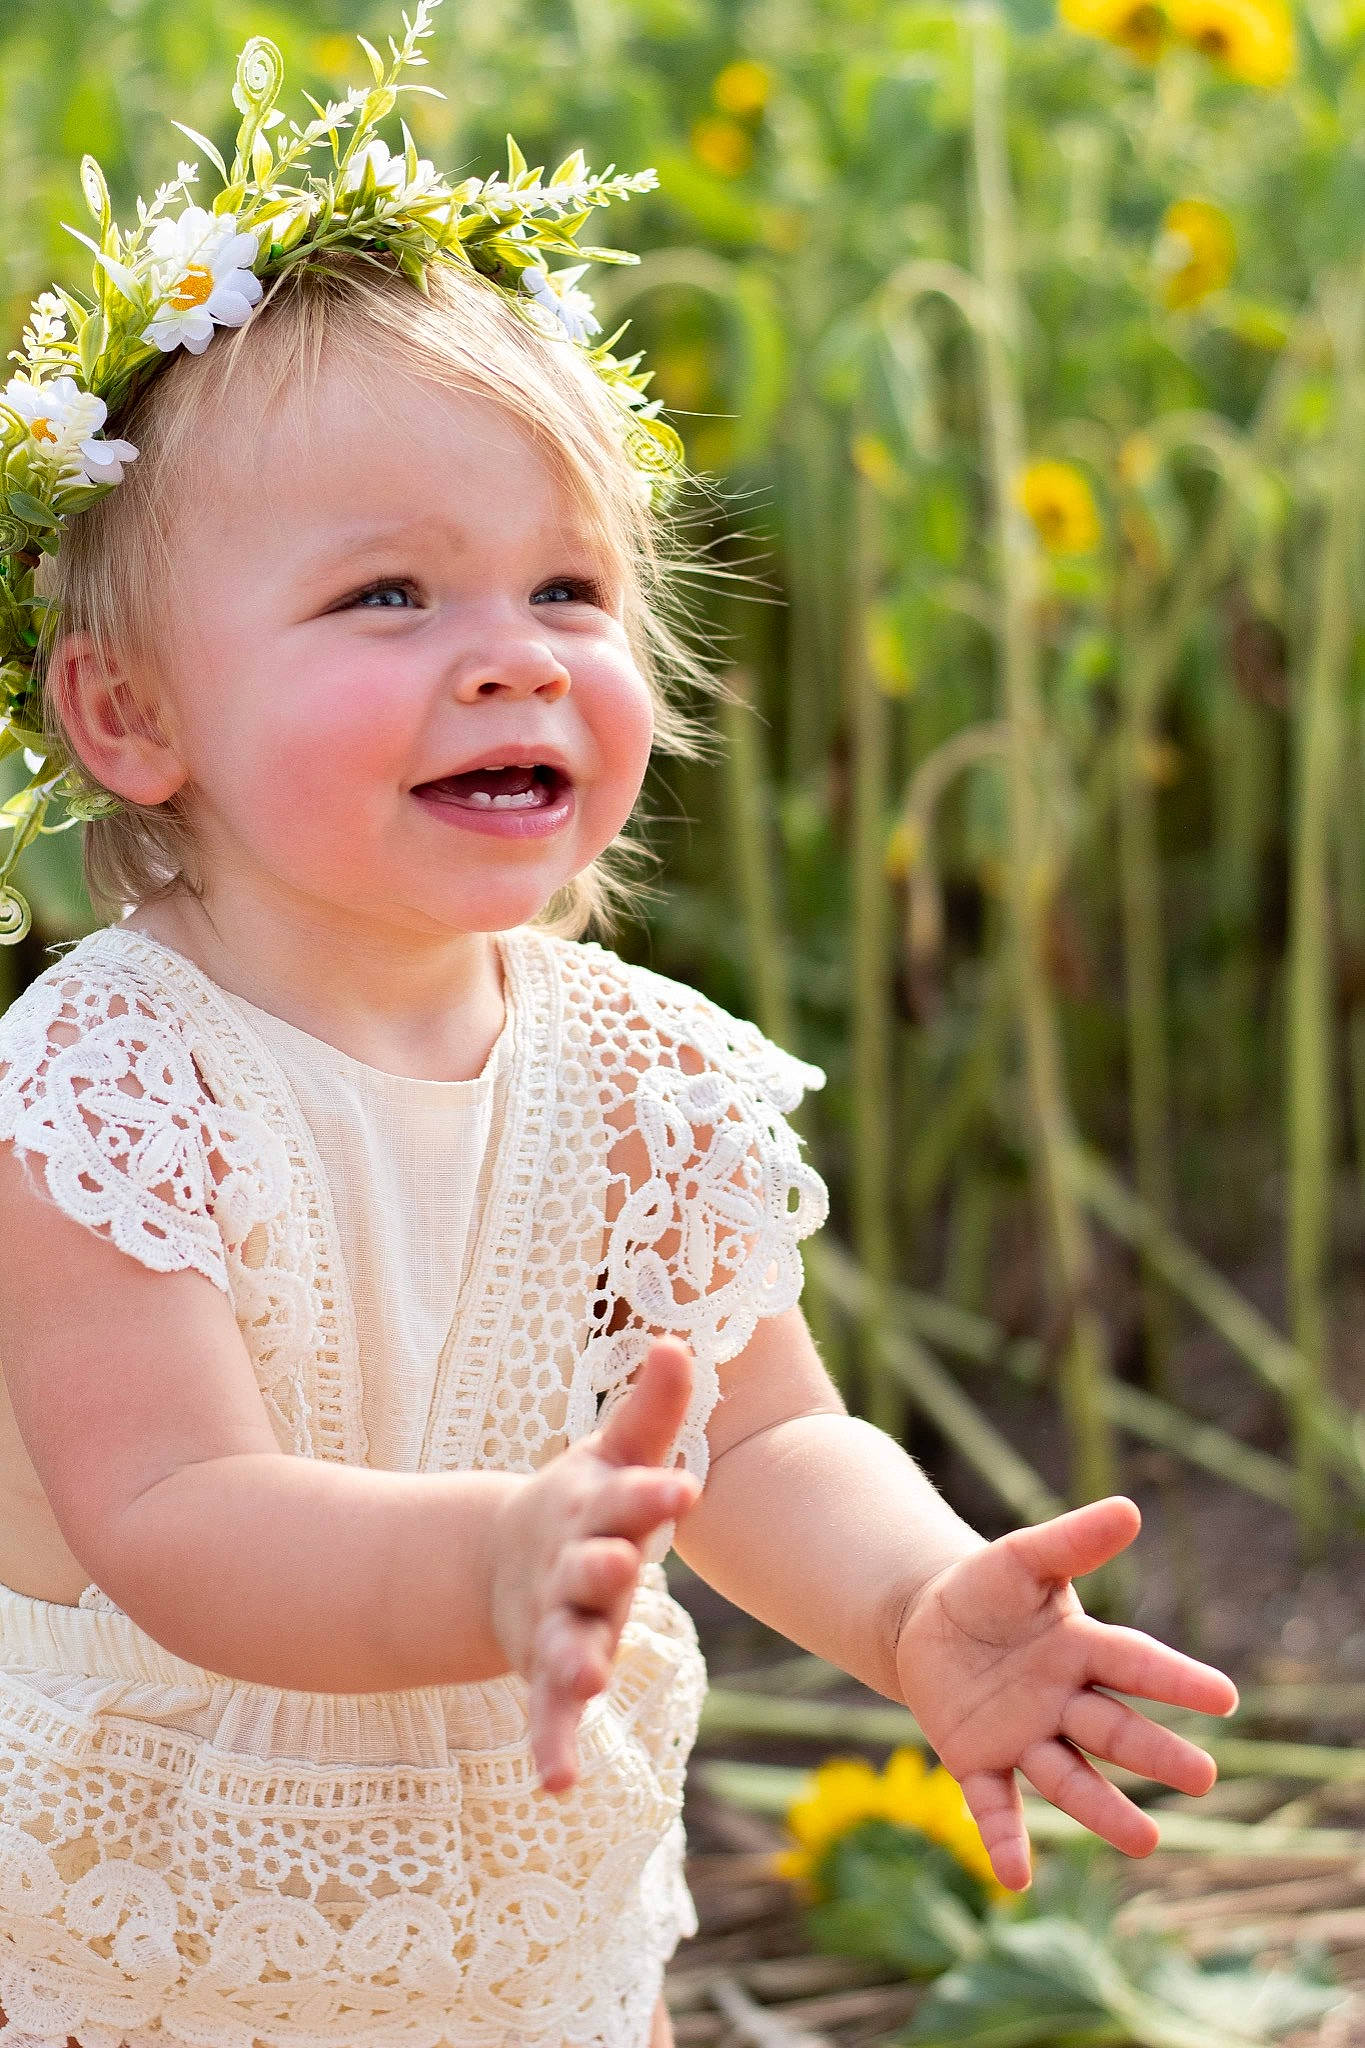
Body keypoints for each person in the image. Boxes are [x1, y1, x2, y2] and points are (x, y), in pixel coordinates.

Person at [0, 14, 1239, 2048]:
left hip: (523, 1920)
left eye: (567, 589)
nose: (507, 659)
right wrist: (493, 1559)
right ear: (127, 715)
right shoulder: (113, 1084)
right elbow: (175, 1522)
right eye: (387, 595)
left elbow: (754, 1436)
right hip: (150, 1934)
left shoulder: (646, 1077)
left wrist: (915, 1609)